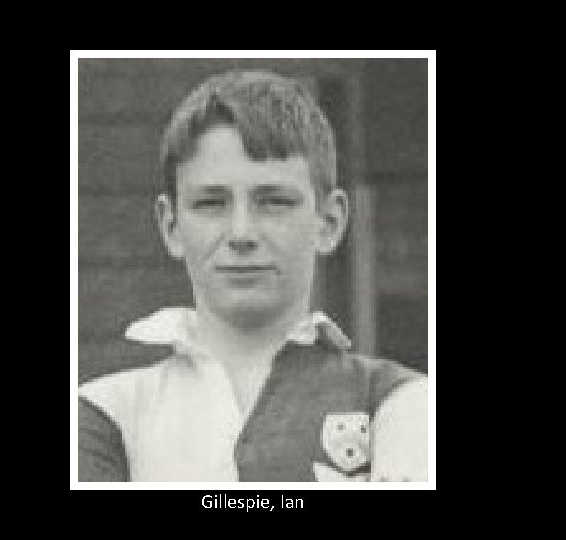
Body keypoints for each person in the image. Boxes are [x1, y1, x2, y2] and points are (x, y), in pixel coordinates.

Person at [78, 70, 427, 481]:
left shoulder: (399, 401)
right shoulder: (105, 415)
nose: (241, 234)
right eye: (211, 203)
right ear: (171, 226)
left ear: (329, 222)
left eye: (274, 202)